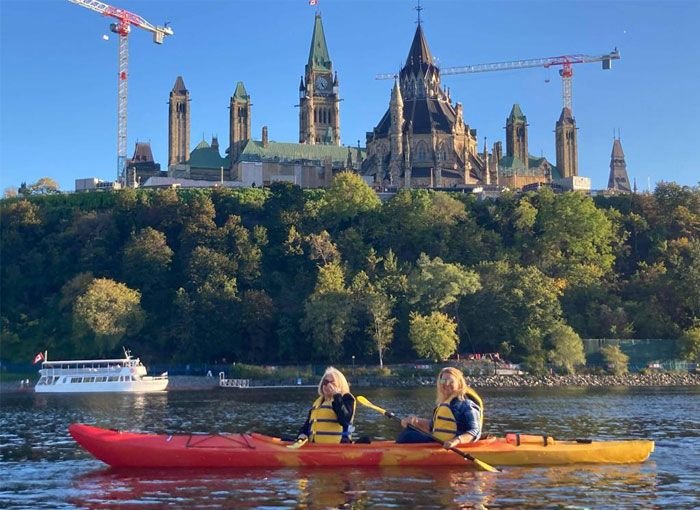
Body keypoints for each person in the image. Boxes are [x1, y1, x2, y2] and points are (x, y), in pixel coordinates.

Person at [396, 367, 483, 448]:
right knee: (408, 432)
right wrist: (415, 421)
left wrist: (456, 441)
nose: (446, 384)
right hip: (439, 441)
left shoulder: (467, 405)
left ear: (459, 384)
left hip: (455, 445)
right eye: (443, 381)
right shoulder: (445, 404)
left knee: (407, 436)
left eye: (451, 381)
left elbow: (475, 431)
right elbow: (435, 426)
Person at [297, 367, 356, 443]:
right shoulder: (318, 403)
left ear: (340, 385)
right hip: (315, 446)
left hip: (338, 446)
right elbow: (307, 425)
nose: (327, 385)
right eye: (325, 382)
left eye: (332, 383)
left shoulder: (346, 399)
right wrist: (302, 434)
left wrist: (336, 396)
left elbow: (344, 420)